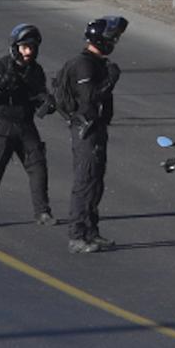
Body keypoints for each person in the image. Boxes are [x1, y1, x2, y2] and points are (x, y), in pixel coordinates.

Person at [61, 16, 128, 254]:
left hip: (97, 129)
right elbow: (90, 97)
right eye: (113, 38)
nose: (115, 42)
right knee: (85, 181)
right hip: (85, 130)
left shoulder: (96, 63)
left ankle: (91, 230)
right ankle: (77, 234)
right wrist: (111, 79)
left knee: (96, 182)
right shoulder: (84, 65)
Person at [0, 24, 56, 228]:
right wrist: (3, 83)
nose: (28, 52)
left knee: (38, 166)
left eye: (32, 47)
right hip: (3, 125)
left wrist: (47, 103)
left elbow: (38, 94)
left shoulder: (36, 71)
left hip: (26, 124)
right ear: (15, 47)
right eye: (24, 47)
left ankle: (42, 212)